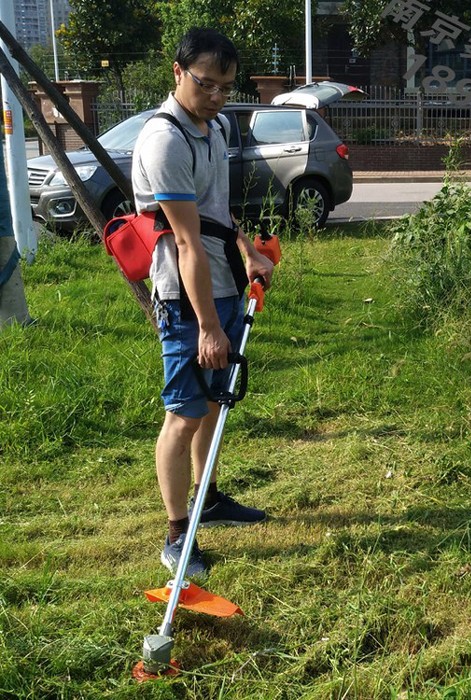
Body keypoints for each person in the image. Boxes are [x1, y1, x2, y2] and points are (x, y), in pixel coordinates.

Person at [132, 28, 274, 578]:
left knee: (214, 404)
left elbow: (216, 215)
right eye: (205, 83)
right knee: (183, 413)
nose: (216, 95)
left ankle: (208, 501)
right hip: (185, 296)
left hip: (222, 285)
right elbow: (186, 241)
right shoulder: (165, 140)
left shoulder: (212, 127)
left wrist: (246, 252)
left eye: (225, 87)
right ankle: (175, 533)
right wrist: (209, 327)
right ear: (177, 72)